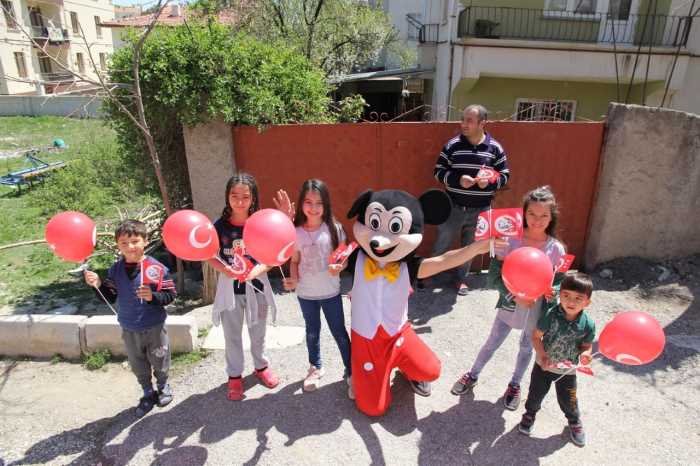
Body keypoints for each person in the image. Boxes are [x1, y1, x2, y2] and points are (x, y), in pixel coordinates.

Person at [451, 186, 566, 411]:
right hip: (509, 304)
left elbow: (558, 282)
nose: (537, 220)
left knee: (526, 347)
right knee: (492, 342)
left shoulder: (556, 249)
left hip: (536, 309)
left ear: (552, 216)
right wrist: (515, 295)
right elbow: (493, 278)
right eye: (532, 213)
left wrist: (552, 292)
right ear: (524, 213)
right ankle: (472, 374)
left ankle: (514, 385)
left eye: (544, 215)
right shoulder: (510, 240)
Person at [207, 172, 288, 401]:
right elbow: (208, 255)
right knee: (232, 336)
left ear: (253, 198)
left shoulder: (261, 223)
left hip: (257, 288)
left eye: (245, 196)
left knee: (258, 332)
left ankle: (261, 367)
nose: (240, 201)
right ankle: (234, 376)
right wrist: (226, 270)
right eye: (234, 196)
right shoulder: (219, 227)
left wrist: (257, 270)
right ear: (227, 197)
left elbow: (275, 253)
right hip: (230, 290)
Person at [84, 219, 176, 417]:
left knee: (160, 358)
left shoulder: (156, 268)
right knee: (138, 363)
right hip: (129, 327)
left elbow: (170, 295)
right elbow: (110, 296)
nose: (130, 247)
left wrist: (153, 297)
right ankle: (147, 392)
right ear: (118, 245)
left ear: (145, 241)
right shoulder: (116, 270)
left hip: (154, 326)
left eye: (135, 241)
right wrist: (98, 284)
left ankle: (163, 385)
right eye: (124, 243)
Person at [430, 104, 510, 295]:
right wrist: (458, 180)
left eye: (469, 120)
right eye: (463, 119)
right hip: (452, 207)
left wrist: (489, 184)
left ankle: (460, 279)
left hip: (481, 209)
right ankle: (430, 275)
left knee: (470, 248)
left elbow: (505, 175)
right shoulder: (452, 145)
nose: (463, 124)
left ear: (483, 123)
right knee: (443, 241)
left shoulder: (495, 148)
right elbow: (438, 172)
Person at [282, 179, 352, 397]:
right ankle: (315, 367)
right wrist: (293, 281)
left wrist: (340, 266)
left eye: (319, 203)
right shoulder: (295, 232)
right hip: (306, 295)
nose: (313, 208)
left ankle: (352, 371)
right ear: (301, 203)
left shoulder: (334, 229)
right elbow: (294, 261)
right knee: (312, 333)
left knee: (340, 333)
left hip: (331, 293)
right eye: (308, 202)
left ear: (326, 204)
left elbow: (345, 258)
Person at [518, 272, 595, 447]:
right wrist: (542, 355)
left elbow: (586, 346)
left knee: (569, 400)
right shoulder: (550, 314)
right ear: (559, 295)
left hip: (567, 372)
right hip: (543, 367)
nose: (571, 302)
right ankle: (529, 414)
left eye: (578, 298)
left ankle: (574, 421)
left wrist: (586, 354)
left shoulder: (588, 324)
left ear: (587, 302)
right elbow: (536, 337)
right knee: (535, 395)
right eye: (566, 296)